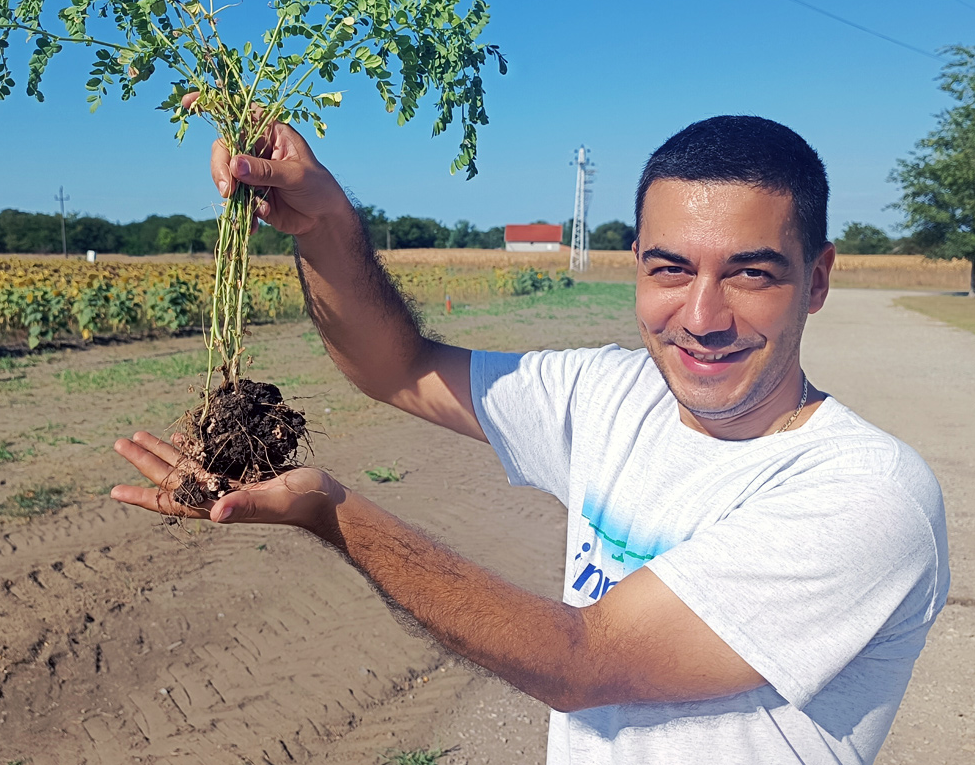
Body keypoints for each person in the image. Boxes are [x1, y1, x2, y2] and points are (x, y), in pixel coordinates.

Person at [111, 114, 949, 764]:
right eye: (670, 269)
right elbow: (397, 365)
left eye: (750, 272)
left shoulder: (866, 493)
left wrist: (334, 513)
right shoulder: (613, 395)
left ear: (819, 279)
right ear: (637, 268)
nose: (702, 317)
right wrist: (326, 223)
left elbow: (585, 662)